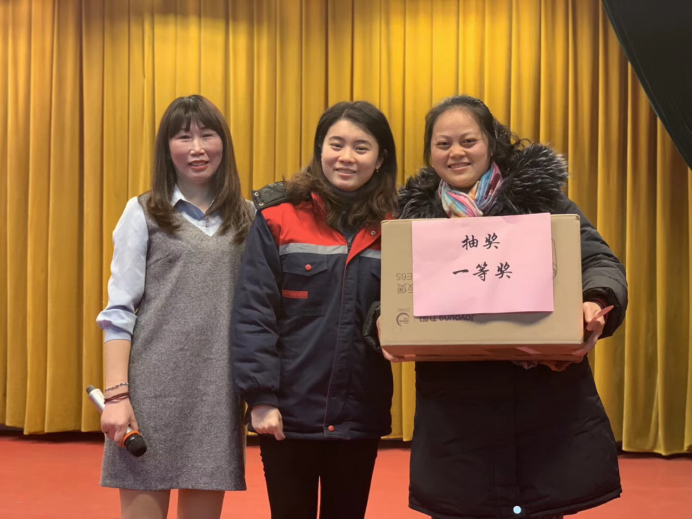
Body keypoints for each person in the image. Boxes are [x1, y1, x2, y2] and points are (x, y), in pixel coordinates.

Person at [394, 95, 628, 519]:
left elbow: (599, 261)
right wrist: (384, 322)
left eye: (468, 141)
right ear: (430, 152)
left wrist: (595, 300)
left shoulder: (541, 201)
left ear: (492, 143)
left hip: (542, 404)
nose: (456, 152)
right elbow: (389, 291)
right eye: (443, 143)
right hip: (455, 415)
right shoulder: (412, 219)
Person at [230, 101, 398, 519]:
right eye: (336, 144)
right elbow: (254, 312)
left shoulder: (398, 226)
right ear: (320, 149)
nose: (346, 157)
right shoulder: (278, 217)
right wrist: (261, 398)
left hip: (359, 412)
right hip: (287, 414)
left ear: (380, 159)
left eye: (361, 147)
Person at [96, 95, 254, 519]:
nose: (197, 148)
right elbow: (119, 312)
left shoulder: (248, 216)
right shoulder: (143, 211)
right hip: (150, 390)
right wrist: (117, 396)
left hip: (217, 391)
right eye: (184, 137)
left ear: (224, 143)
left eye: (207, 135)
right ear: (167, 148)